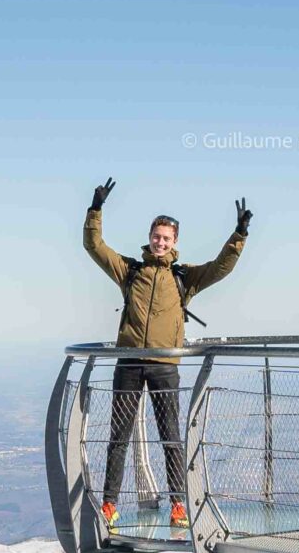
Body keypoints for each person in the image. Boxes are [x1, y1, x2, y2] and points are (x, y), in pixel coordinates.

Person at [82, 178, 251, 529]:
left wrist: (239, 235)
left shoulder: (183, 277)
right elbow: (94, 245)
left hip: (164, 366)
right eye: (157, 236)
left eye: (167, 238)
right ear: (150, 237)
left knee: (170, 437)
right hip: (129, 364)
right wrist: (96, 209)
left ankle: (178, 505)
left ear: (175, 242)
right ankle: (110, 504)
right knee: (119, 437)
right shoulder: (130, 270)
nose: (160, 242)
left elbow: (221, 267)